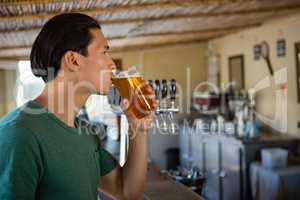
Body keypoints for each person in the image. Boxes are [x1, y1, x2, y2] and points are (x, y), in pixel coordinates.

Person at [0, 13, 156, 200]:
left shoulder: (86, 134)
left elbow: (126, 192)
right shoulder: (19, 134)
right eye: (104, 52)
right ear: (73, 60)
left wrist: (138, 128)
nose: (112, 63)